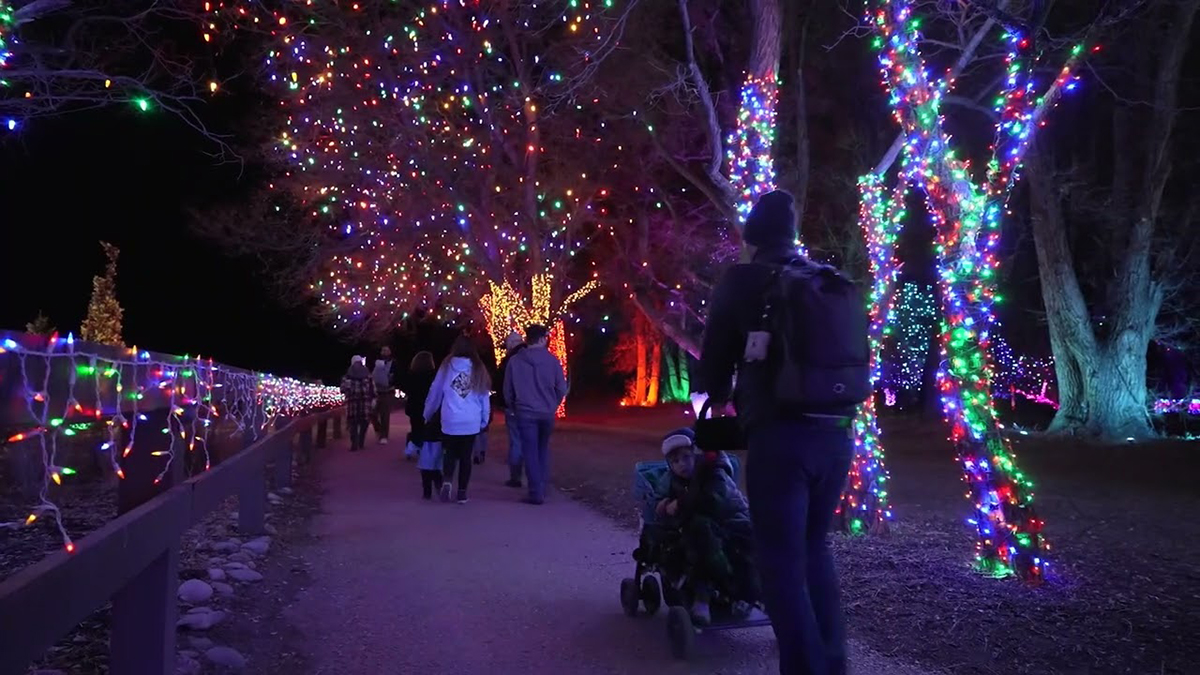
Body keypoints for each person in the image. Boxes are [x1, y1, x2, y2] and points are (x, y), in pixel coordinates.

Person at [699, 190, 861, 675]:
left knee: (779, 560)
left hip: (780, 436)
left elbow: (713, 369)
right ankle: (833, 662)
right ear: (791, 234)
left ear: (751, 237)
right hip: (837, 432)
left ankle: (803, 668)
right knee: (815, 545)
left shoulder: (742, 280)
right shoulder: (824, 279)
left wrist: (715, 400)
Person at [650, 428, 757, 627]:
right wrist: (664, 506)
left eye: (686, 457)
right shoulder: (673, 481)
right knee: (694, 539)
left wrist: (679, 505)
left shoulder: (714, 472)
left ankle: (740, 593)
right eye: (675, 461)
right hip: (708, 525)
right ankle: (705, 596)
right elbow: (660, 502)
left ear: (696, 455)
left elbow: (711, 502)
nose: (682, 464)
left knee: (712, 539)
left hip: (732, 520)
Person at [503, 324, 567, 505]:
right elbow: (561, 388)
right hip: (546, 412)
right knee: (542, 448)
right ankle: (542, 486)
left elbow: (508, 390)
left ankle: (535, 491)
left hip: (524, 411)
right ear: (542, 339)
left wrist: (513, 406)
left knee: (530, 450)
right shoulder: (552, 361)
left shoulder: (515, 361)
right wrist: (552, 403)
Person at [424, 336, 491, 504]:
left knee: (449, 453)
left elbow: (436, 390)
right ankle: (462, 492)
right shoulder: (478, 368)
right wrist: (484, 419)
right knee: (466, 457)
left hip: (450, 418)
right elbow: (484, 396)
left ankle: (447, 480)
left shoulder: (447, 366)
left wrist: (428, 412)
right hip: (471, 420)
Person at [496, 331, 527, 487]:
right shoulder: (532, 358)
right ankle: (534, 478)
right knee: (531, 442)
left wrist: (507, 403)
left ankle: (516, 477)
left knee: (516, 442)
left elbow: (504, 385)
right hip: (532, 407)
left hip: (515, 407)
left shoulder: (510, 361)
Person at [405, 352, 439, 485]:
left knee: (415, 426)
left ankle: (413, 444)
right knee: (427, 430)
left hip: (414, 405)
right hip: (427, 406)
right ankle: (423, 451)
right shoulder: (433, 375)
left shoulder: (412, 374)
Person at [340, 355, 377, 452]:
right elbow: (373, 389)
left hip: (355, 402)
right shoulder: (367, 375)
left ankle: (356, 442)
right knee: (360, 422)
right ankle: (358, 441)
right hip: (362, 402)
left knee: (355, 423)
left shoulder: (348, 376)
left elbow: (342, 389)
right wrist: (373, 399)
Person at [372, 346, 396, 444]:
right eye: (383, 350)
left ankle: (384, 436)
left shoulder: (394, 363)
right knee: (372, 413)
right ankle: (378, 428)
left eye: (387, 350)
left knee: (384, 414)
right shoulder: (376, 362)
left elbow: (397, 375)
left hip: (388, 391)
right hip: (376, 391)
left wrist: (392, 379)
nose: (385, 352)